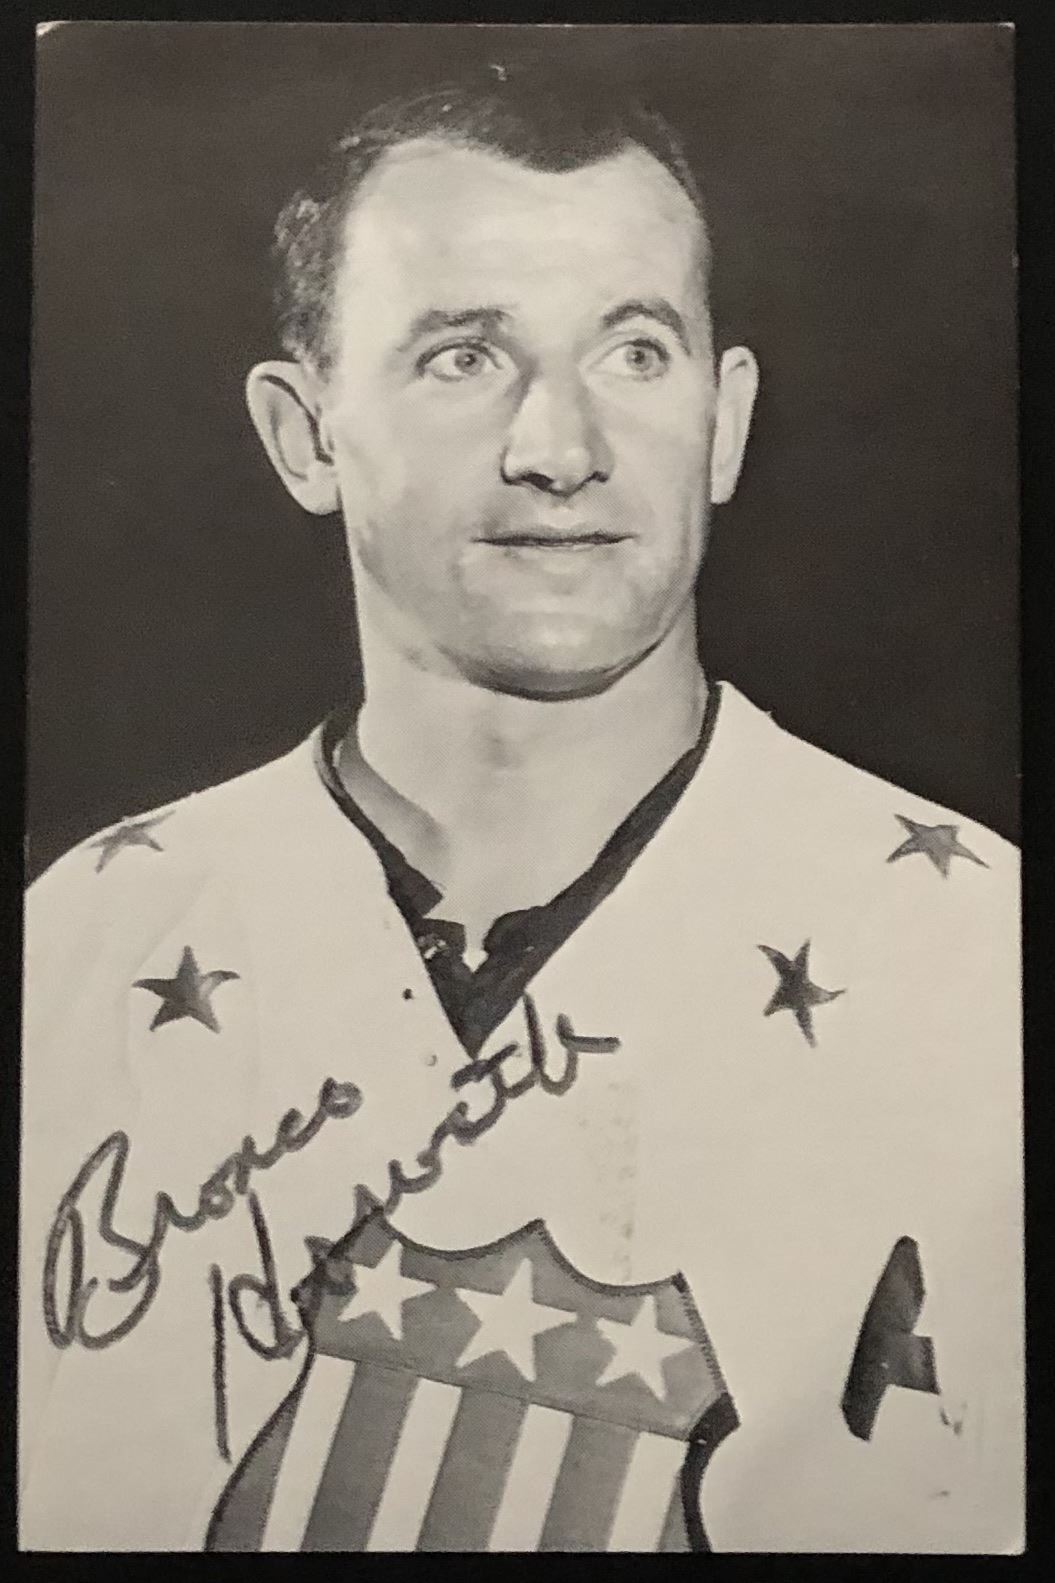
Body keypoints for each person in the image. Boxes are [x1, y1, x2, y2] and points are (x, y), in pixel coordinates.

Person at [19, 66, 1022, 1554]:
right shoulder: (79, 947)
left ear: (726, 420)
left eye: (635, 351)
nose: (561, 448)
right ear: (304, 434)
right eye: (462, 357)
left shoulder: (979, 948)